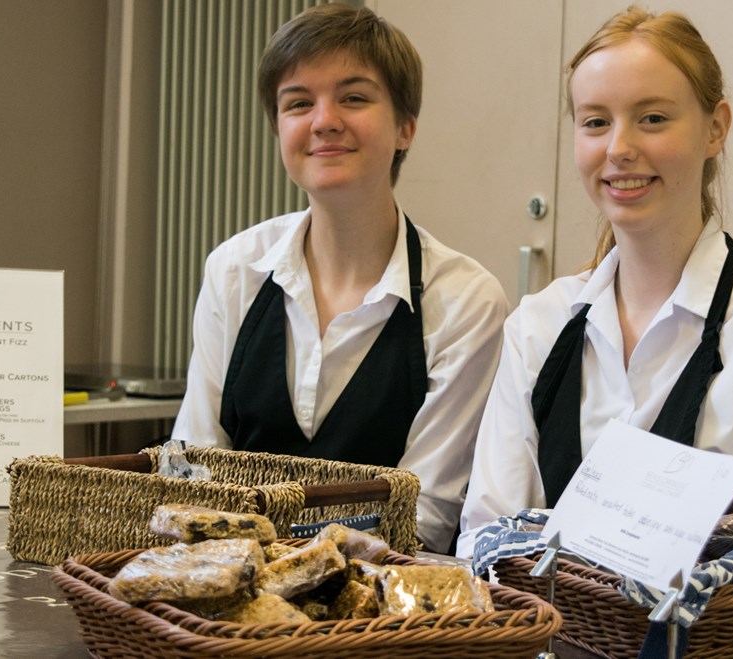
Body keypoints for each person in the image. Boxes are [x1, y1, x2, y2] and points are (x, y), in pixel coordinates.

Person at [456, 7, 733, 558]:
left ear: (716, 128)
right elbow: (485, 539)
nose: (618, 148)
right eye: (596, 122)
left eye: (653, 118)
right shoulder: (538, 324)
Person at [171, 3, 509, 554]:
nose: (324, 120)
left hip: (383, 596)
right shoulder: (234, 270)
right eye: (298, 103)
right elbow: (191, 468)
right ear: (279, 128)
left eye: (353, 98)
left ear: (405, 127)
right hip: (230, 585)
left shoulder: (466, 301)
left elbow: (423, 516)